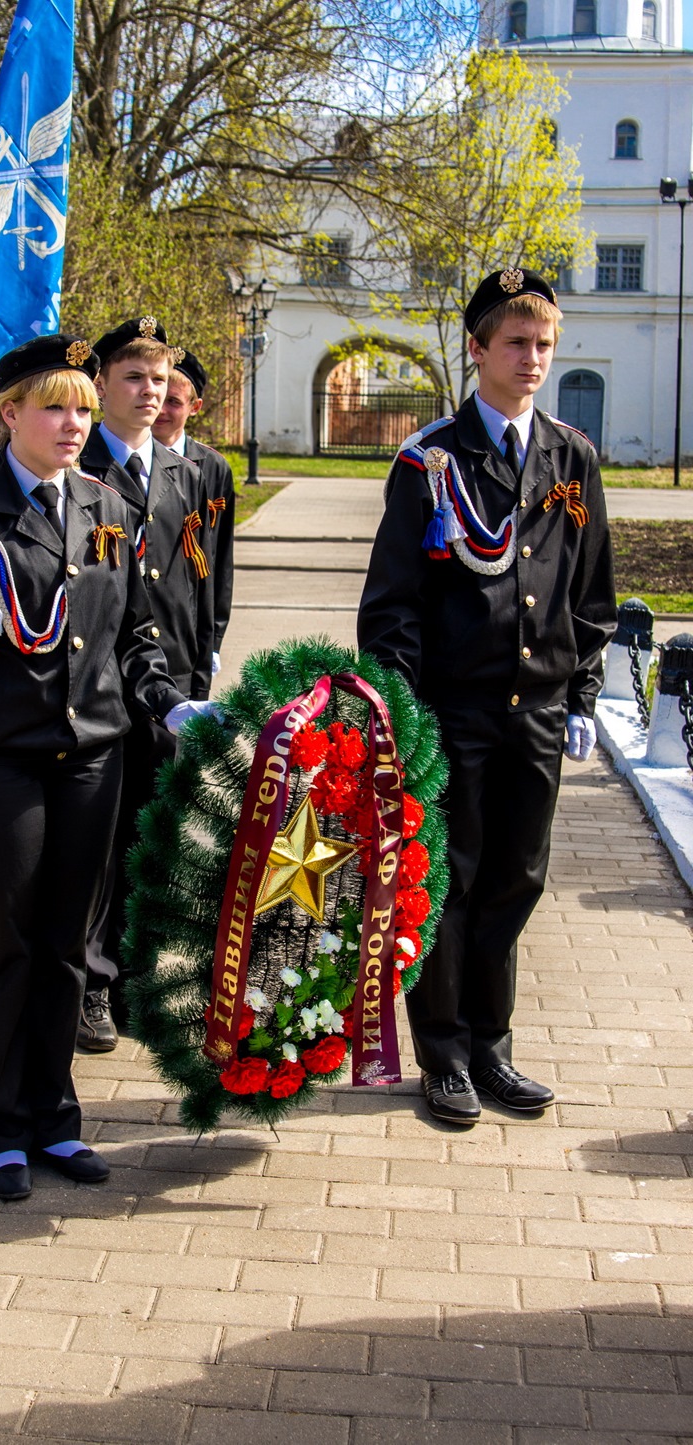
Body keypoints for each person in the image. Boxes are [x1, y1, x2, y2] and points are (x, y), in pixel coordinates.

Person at [0, 334, 214, 1201]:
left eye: (80, 406)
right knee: (5, 941)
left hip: (92, 762)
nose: (74, 423)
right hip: (0, 767)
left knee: (68, 947)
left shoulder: (107, 508)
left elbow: (136, 633)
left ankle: (53, 1116)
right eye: (54, 406)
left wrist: (167, 699)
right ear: (9, 415)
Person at [357, 267, 617, 1125]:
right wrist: (402, 713)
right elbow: (392, 603)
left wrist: (581, 693)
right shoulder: (430, 460)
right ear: (477, 349)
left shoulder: (570, 456)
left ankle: (491, 1045)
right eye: (517, 343)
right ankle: (442, 1053)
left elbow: (591, 591)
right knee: (451, 883)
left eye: (546, 344)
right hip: (452, 712)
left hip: (536, 711)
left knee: (517, 878)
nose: (534, 358)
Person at [78, 318, 215, 1052]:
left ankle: (134, 977)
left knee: (153, 836)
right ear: (101, 384)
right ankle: (90, 984)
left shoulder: (179, 472)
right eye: (133, 378)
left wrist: (196, 670)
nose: (148, 392)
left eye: (159, 381)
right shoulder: (79, 465)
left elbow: (188, 581)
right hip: (101, 689)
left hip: (170, 688)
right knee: (101, 844)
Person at [152, 348, 235, 677]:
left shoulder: (212, 468)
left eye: (173, 401)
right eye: (159, 397)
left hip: (185, 629)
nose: (161, 409)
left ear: (194, 407)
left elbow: (220, 559)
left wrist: (214, 637)